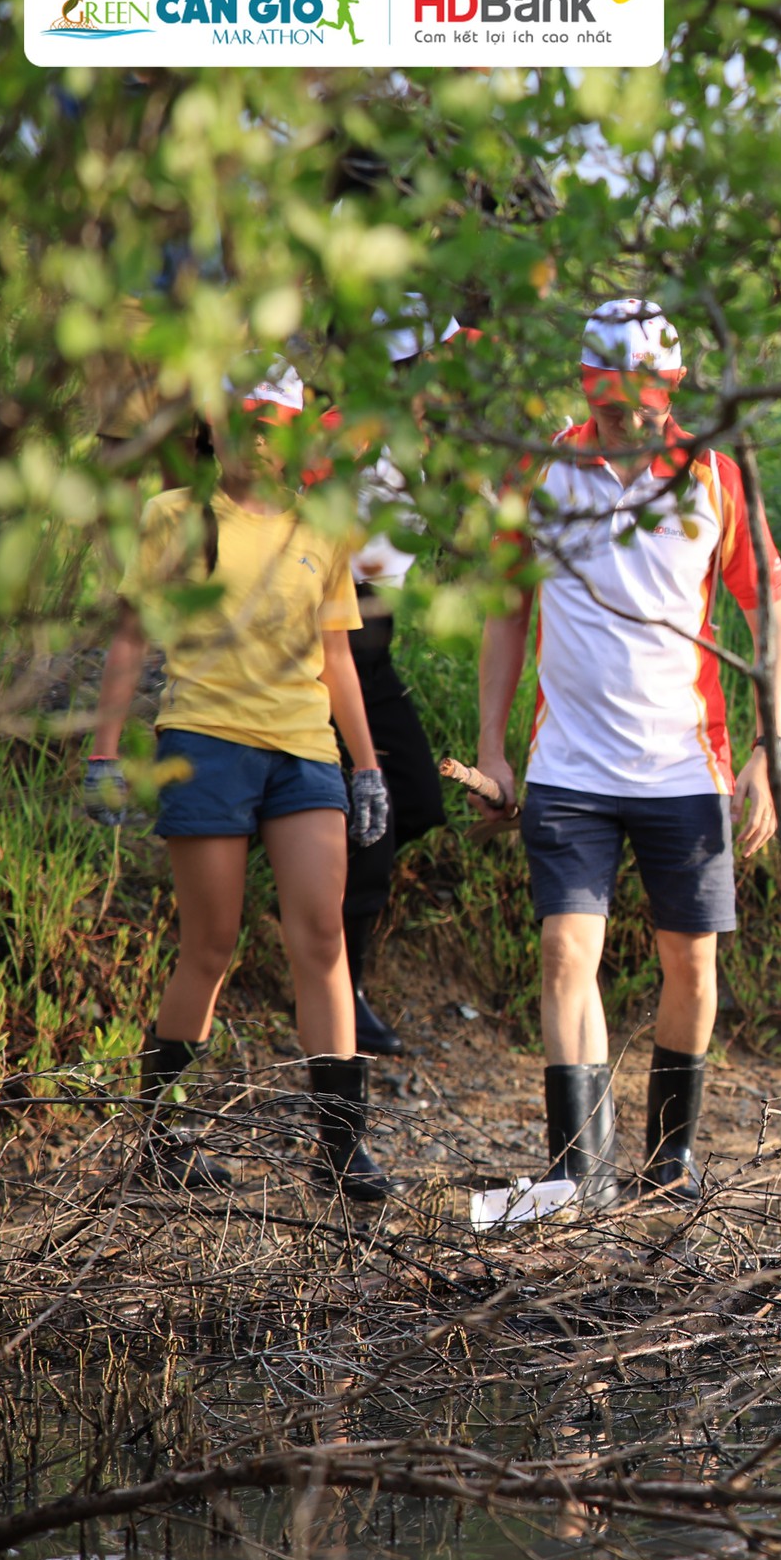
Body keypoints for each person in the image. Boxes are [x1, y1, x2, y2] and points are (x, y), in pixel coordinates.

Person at [473, 300, 781, 1208]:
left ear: (673, 390)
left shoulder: (714, 478)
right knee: (565, 954)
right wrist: (492, 749)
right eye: (614, 405)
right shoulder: (541, 473)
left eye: (647, 403)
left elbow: (770, 617)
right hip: (569, 765)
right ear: (588, 388)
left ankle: (668, 1162)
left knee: (691, 965)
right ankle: (577, 1169)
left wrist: (766, 753)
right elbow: (506, 611)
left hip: (684, 767)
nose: (631, 420)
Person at [83, 364, 396, 1200]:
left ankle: (339, 1145)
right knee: (210, 944)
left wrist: (366, 766)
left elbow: (337, 656)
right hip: (207, 742)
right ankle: (165, 1132)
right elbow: (130, 635)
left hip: (302, 750)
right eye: (246, 418)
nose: (261, 436)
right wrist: (104, 749)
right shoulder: (174, 519)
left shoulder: (319, 527)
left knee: (322, 939)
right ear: (213, 426)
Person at [336, 304, 459, 1058]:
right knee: (369, 832)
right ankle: (339, 983)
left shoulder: (419, 444)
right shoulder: (352, 442)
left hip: (378, 649)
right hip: (333, 643)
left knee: (416, 800)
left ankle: (317, 911)